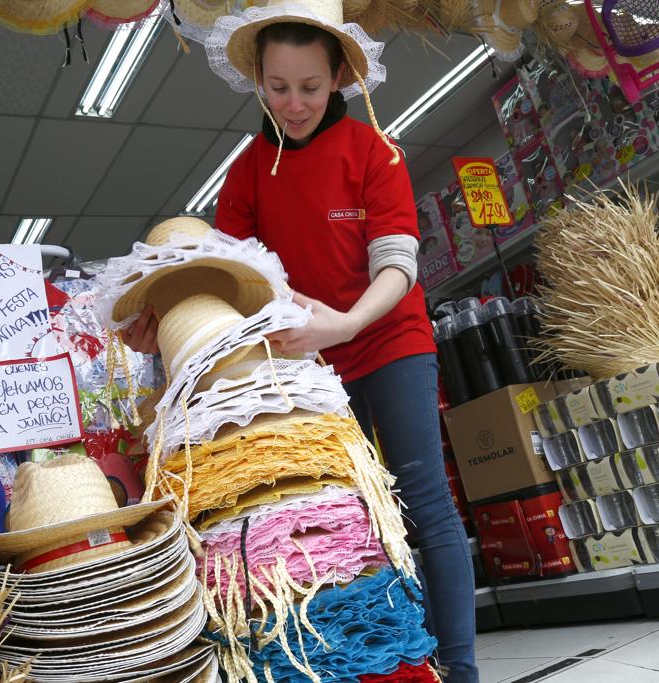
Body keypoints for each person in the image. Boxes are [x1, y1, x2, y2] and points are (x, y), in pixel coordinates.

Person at [122, 17, 478, 683]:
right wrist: (164, 323)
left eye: (310, 86)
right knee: (354, 512)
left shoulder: (375, 152)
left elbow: (397, 267)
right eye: (278, 86)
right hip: (306, 365)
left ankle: (460, 668)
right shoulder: (249, 172)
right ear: (257, 81)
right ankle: (400, 655)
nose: (294, 103)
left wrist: (344, 323)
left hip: (387, 339)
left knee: (422, 498)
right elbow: (221, 279)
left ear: (339, 76)